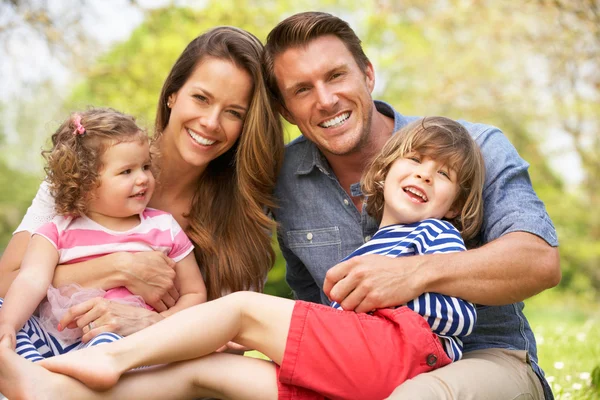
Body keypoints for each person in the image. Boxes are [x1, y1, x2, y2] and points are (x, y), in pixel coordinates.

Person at [0, 115, 485, 400]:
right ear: (385, 171)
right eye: (415, 162)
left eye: (442, 176)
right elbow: (343, 333)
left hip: (405, 357)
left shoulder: (435, 234)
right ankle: (59, 394)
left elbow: (458, 315)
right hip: (358, 375)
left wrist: (409, 291)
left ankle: (110, 359)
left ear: (455, 203)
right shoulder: (377, 241)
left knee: (239, 310)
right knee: (205, 372)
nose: (424, 177)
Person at [264, 11, 560, 400]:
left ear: (367, 75)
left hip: (483, 361)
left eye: (336, 75)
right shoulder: (284, 182)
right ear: (286, 110)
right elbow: (314, 308)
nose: (325, 99)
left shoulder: (476, 148)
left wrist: (413, 273)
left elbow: (539, 261)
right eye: (302, 89)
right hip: (365, 370)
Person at [0, 26, 284, 344]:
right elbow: (7, 283)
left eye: (234, 112)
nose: (211, 122)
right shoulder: (84, 175)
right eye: (201, 98)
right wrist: (119, 267)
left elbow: (236, 342)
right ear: (172, 94)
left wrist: (151, 323)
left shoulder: (244, 211)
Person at [0, 108, 207, 361]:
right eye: (126, 171)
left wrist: (158, 324)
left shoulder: (164, 227)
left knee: (107, 340)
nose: (143, 178)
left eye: (145, 166)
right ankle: (32, 379)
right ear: (84, 183)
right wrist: (8, 324)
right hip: (54, 338)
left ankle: (54, 384)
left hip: (123, 343)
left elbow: (194, 294)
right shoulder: (56, 231)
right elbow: (31, 280)